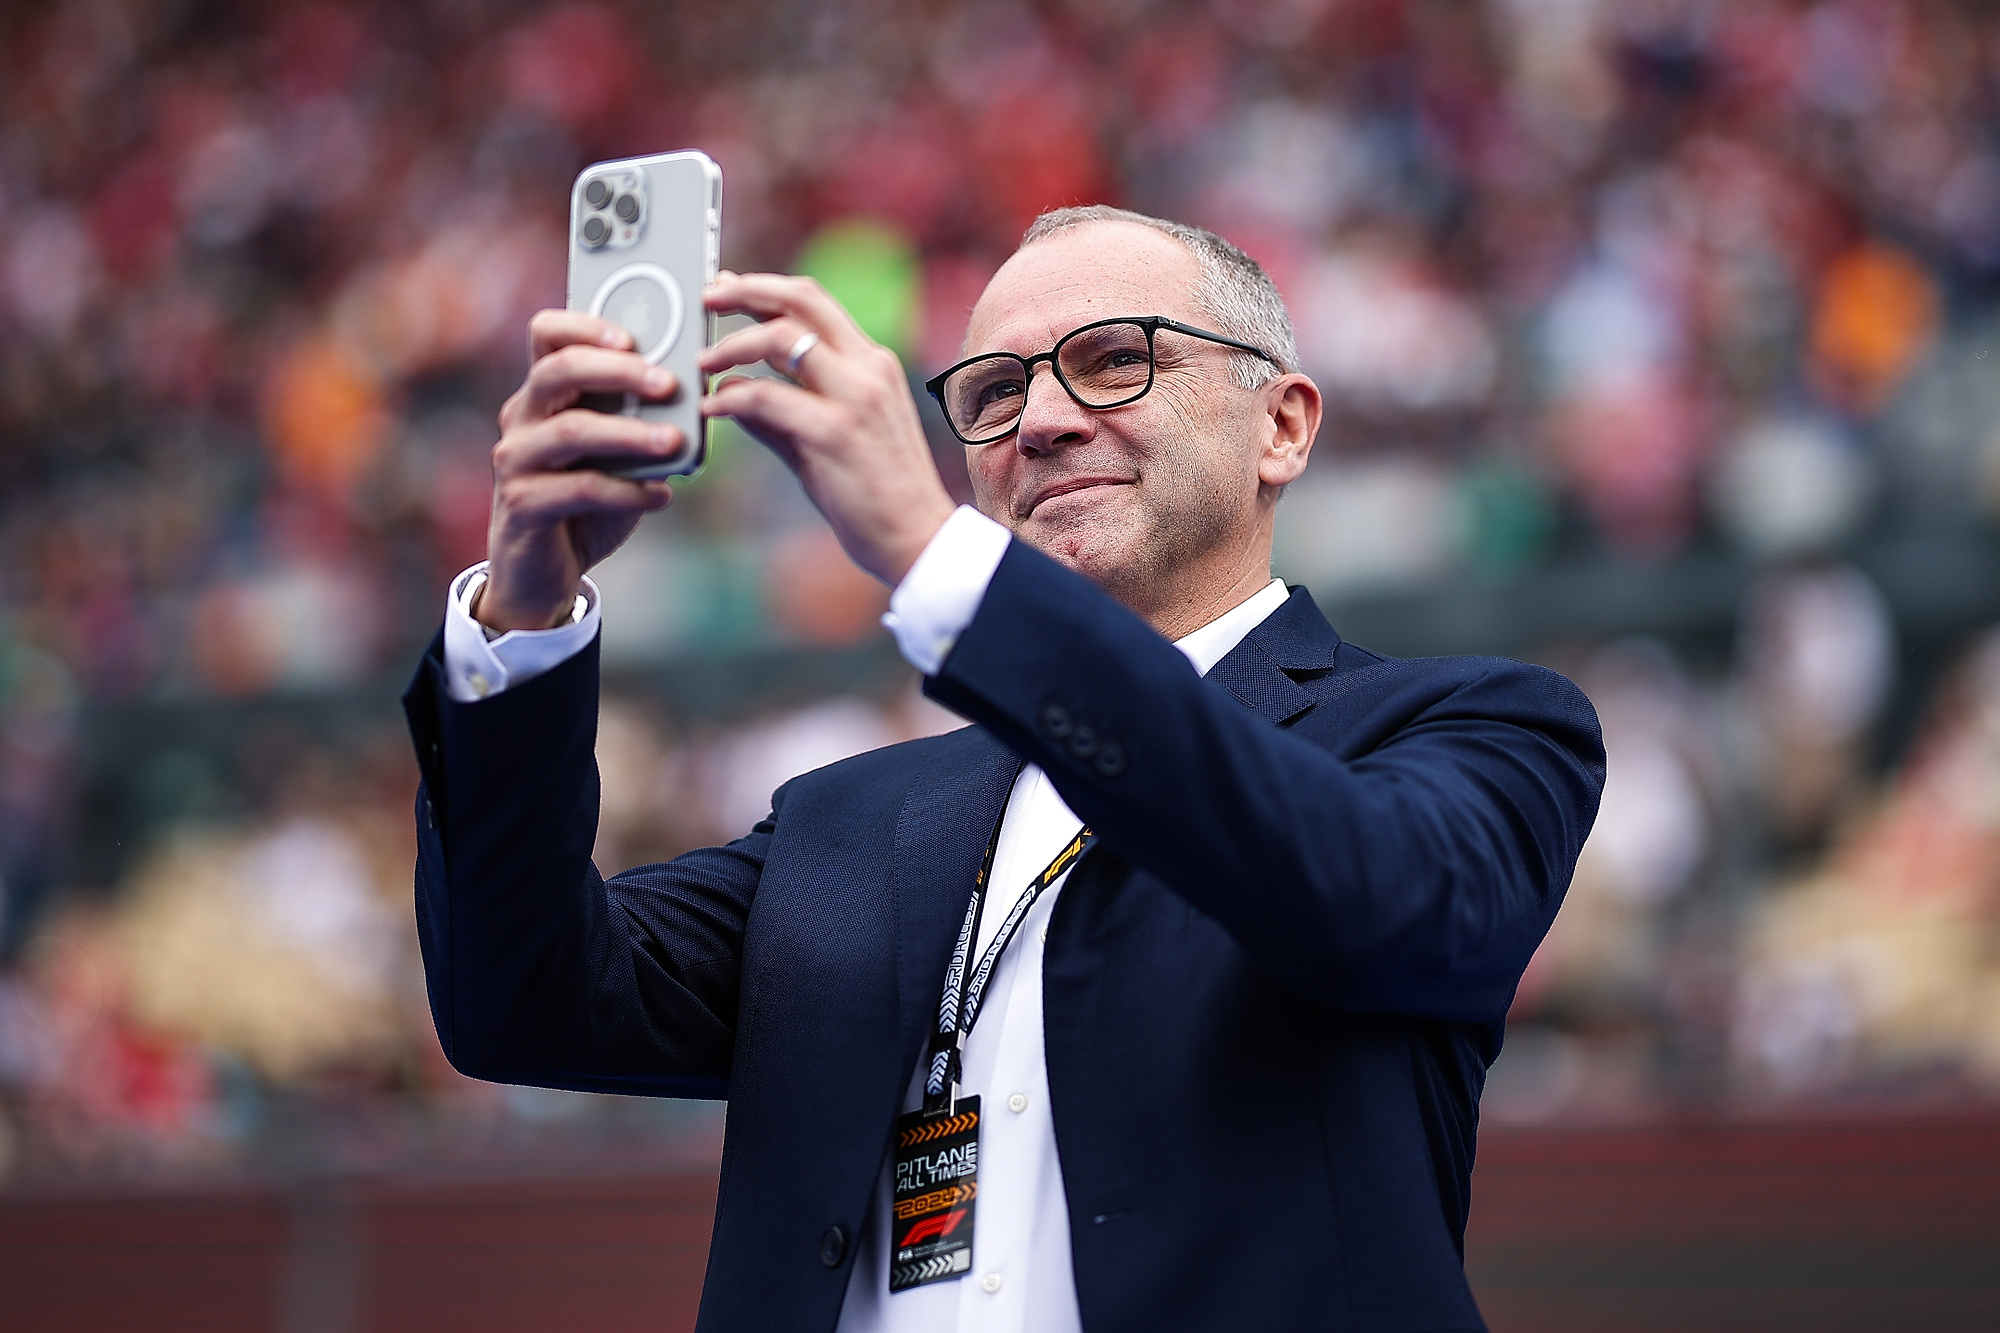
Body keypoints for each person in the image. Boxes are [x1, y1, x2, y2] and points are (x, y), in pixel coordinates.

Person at [402, 205, 1604, 1333]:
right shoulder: (849, 820)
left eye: (1112, 359)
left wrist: (941, 560)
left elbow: (1365, 897)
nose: (1038, 421)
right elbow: (525, 1001)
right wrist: (525, 603)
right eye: (990, 390)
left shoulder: (1470, 725)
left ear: (1279, 425)